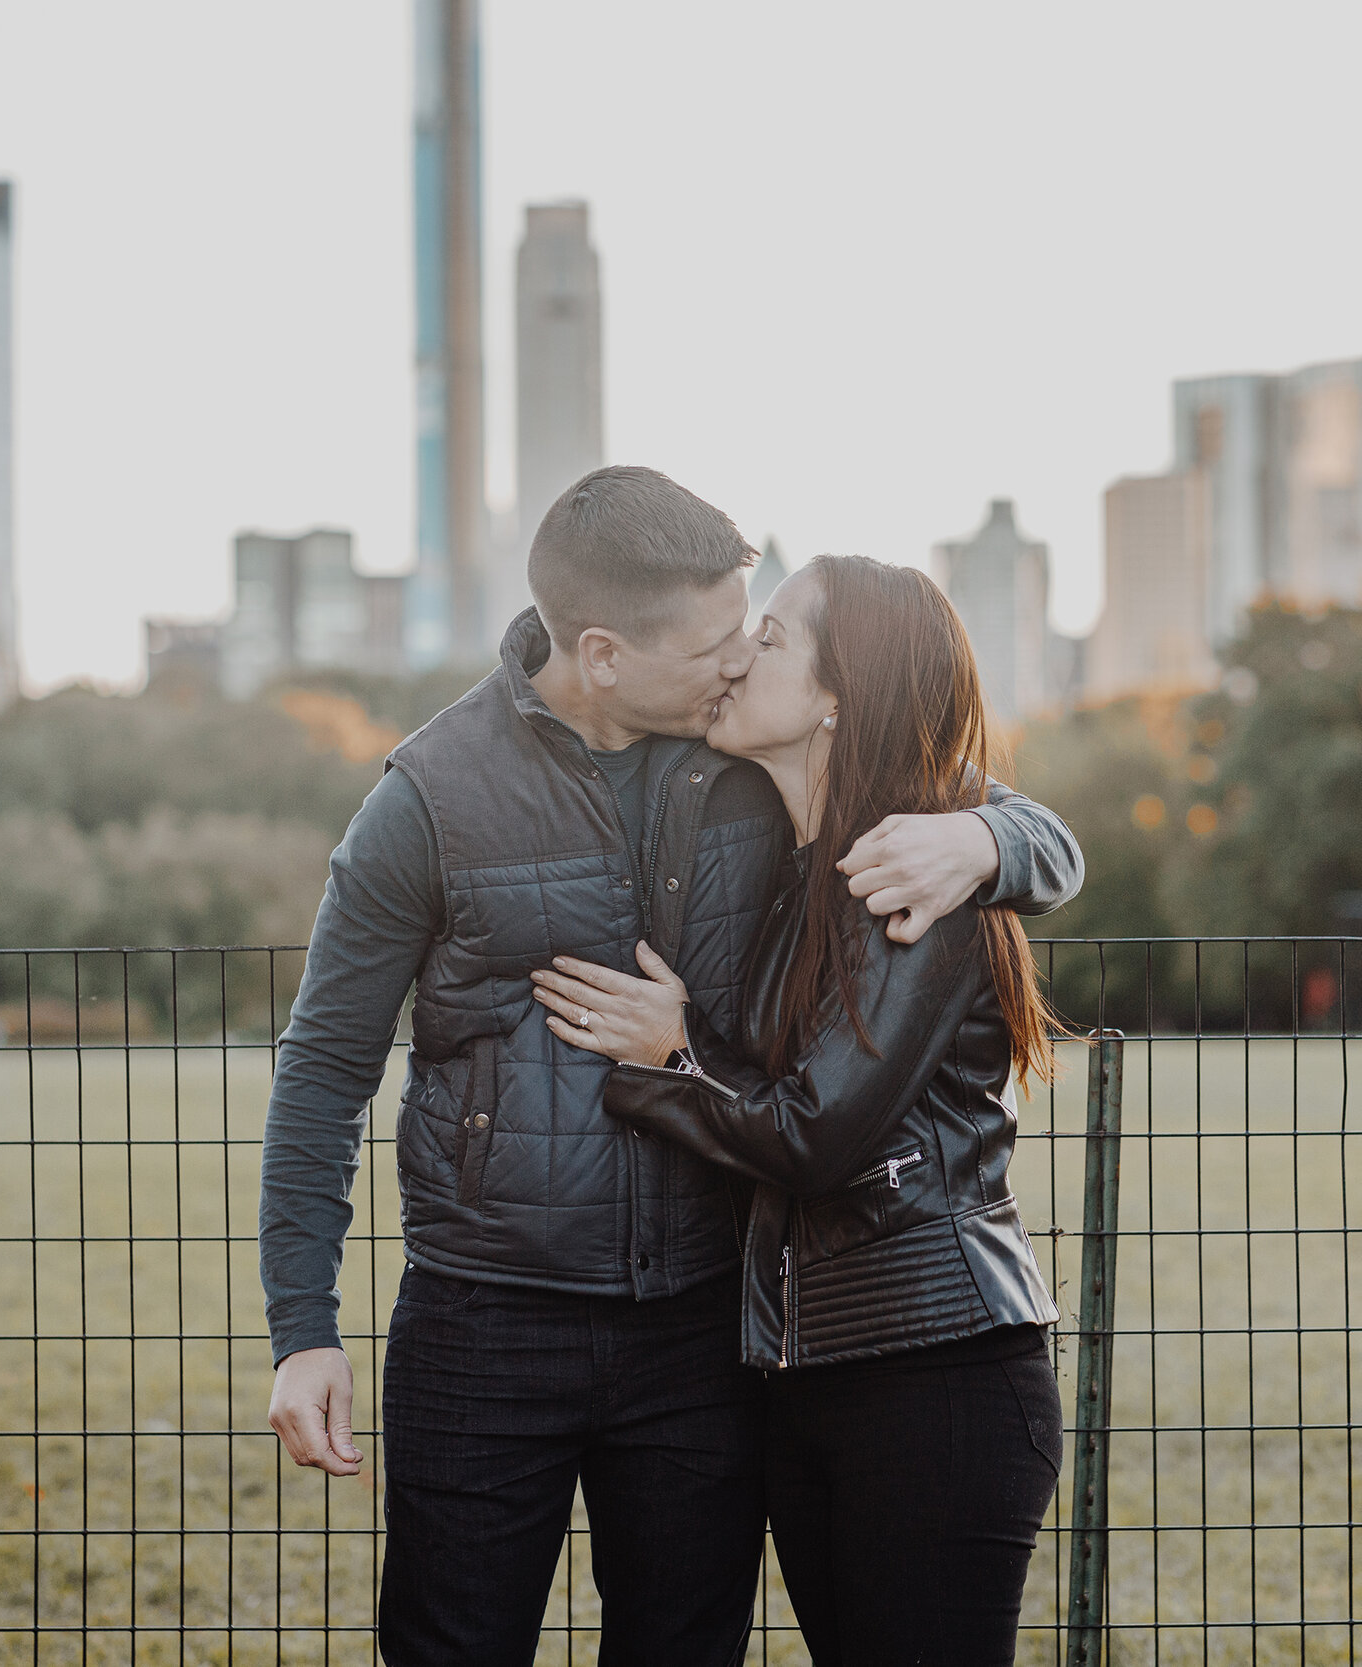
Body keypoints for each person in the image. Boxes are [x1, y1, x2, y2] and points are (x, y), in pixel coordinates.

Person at [257, 468, 1083, 1666]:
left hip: (707, 1334)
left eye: (755, 630)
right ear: (599, 652)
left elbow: (997, 814)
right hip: (484, 1324)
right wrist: (302, 1326)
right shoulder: (426, 802)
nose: (741, 659)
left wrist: (987, 834)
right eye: (715, 642)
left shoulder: (752, 756)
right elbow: (323, 1069)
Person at [531, 553, 1066, 1666]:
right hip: (814, 1378)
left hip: (935, 1373)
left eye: (771, 636)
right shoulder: (803, 867)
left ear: (839, 692)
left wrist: (673, 1051)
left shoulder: (907, 873)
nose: (740, 656)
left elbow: (815, 1134)